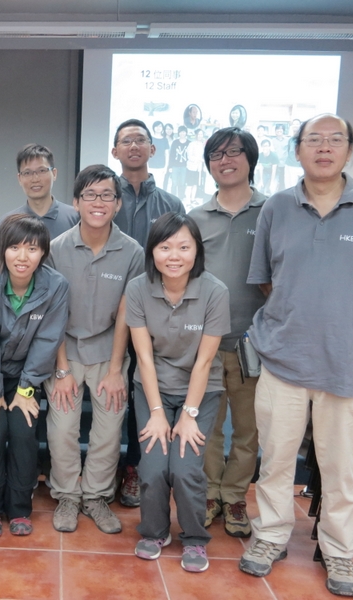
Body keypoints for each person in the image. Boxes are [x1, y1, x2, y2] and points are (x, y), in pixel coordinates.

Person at [239, 114, 353, 597]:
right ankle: (270, 536)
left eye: (336, 140)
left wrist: (345, 319)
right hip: (284, 360)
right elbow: (266, 281)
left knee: (340, 467)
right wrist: (301, 317)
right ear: (297, 150)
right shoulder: (277, 207)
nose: (324, 147)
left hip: (347, 362)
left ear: (349, 150)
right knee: (275, 461)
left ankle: (338, 551)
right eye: (314, 139)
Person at [125, 211, 230, 573]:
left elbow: (205, 361)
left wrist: (189, 414)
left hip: (200, 391)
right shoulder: (138, 288)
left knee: (185, 469)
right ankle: (154, 532)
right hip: (152, 387)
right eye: (165, 247)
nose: (174, 256)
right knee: (153, 466)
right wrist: (156, 412)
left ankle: (195, 538)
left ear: (197, 250)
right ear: (152, 251)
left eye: (184, 247)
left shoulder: (215, 292)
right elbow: (143, 356)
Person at [44, 165, 144, 535]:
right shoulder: (57, 249)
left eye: (106, 195)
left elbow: (126, 315)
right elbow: (51, 313)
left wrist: (117, 370)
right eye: (89, 195)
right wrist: (61, 369)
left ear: (118, 204)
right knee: (62, 431)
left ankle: (96, 496)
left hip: (109, 354)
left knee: (108, 431)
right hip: (65, 352)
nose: (97, 202)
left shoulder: (132, 252)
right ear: (76, 202)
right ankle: (68, 495)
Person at [0, 214, 69, 538]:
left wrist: (25, 389)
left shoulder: (56, 286)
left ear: (43, 253)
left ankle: (20, 507)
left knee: (24, 432)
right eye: (14, 247)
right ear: (2, 250)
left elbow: (48, 341)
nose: (22, 257)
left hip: (27, 373)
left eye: (32, 249)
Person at [189, 127, 266, 539]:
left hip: (256, 344)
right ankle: (209, 494)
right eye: (217, 154)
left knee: (248, 430)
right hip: (207, 345)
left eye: (235, 152)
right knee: (208, 427)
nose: (226, 160)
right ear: (208, 165)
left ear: (250, 159)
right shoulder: (196, 218)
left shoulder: (272, 211)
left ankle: (236, 496)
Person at [111, 118, 185, 508]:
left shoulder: (171, 205)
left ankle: (137, 468)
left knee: (144, 391)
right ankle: (109, 469)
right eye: (126, 141)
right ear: (115, 151)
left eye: (141, 140)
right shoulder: (106, 198)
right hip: (109, 318)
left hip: (156, 319)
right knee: (115, 394)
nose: (134, 146)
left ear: (153, 149)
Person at [1, 143, 78, 240]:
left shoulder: (76, 218)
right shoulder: (7, 224)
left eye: (42, 171)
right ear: (19, 178)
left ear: (54, 174)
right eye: (27, 173)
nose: (35, 179)